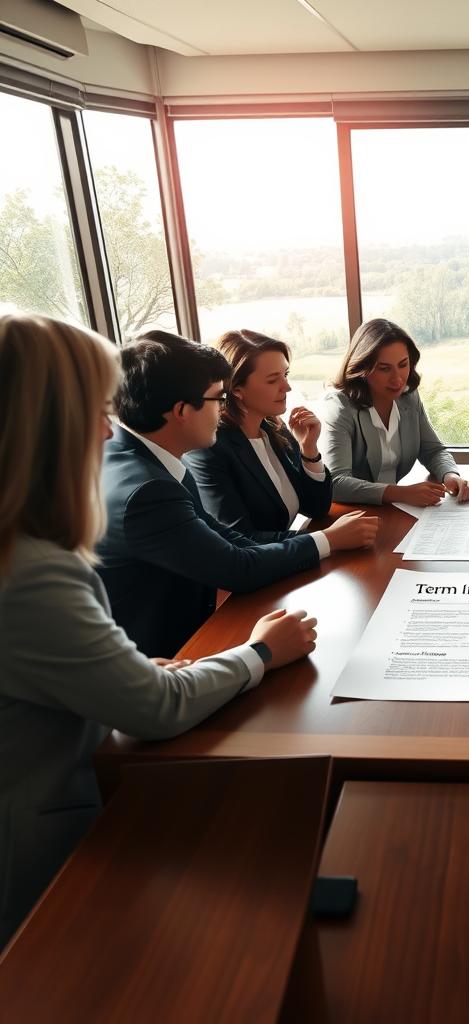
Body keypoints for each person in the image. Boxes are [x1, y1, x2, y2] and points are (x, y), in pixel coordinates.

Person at [0, 314, 319, 945]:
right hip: (42, 849)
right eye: (93, 410)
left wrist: (135, 671)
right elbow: (155, 710)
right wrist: (259, 652)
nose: (104, 430)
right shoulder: (33, 569)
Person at [97, 330, 378, 659]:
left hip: (190, 640)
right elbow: (235, 567)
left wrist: (326, 539)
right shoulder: (148, 490)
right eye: (218, 397)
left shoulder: (149, 459)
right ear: (182, 410)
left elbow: (228, 539)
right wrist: (328, 541)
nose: (223, 406)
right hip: (163, 659)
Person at [184, 329, 333, 541]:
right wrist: (327, 539)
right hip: (258, 568)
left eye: (286, 375)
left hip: (288, 560)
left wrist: (309, 449)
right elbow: (241, 538)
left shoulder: (274, 428)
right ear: (236, 388)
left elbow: (317, 508)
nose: (287, 387)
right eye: (273, 380)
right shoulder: (210, 449)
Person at [321, 318, 469, 506]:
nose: (398, 379)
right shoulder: (339, 406)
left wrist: (449, 475)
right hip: (350, 513)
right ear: (363, 368)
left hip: (393, 509)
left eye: (403, 365)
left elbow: (433, 450)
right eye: (384, 369)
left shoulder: (409, 396)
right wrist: (400, 493)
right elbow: (336, 483)